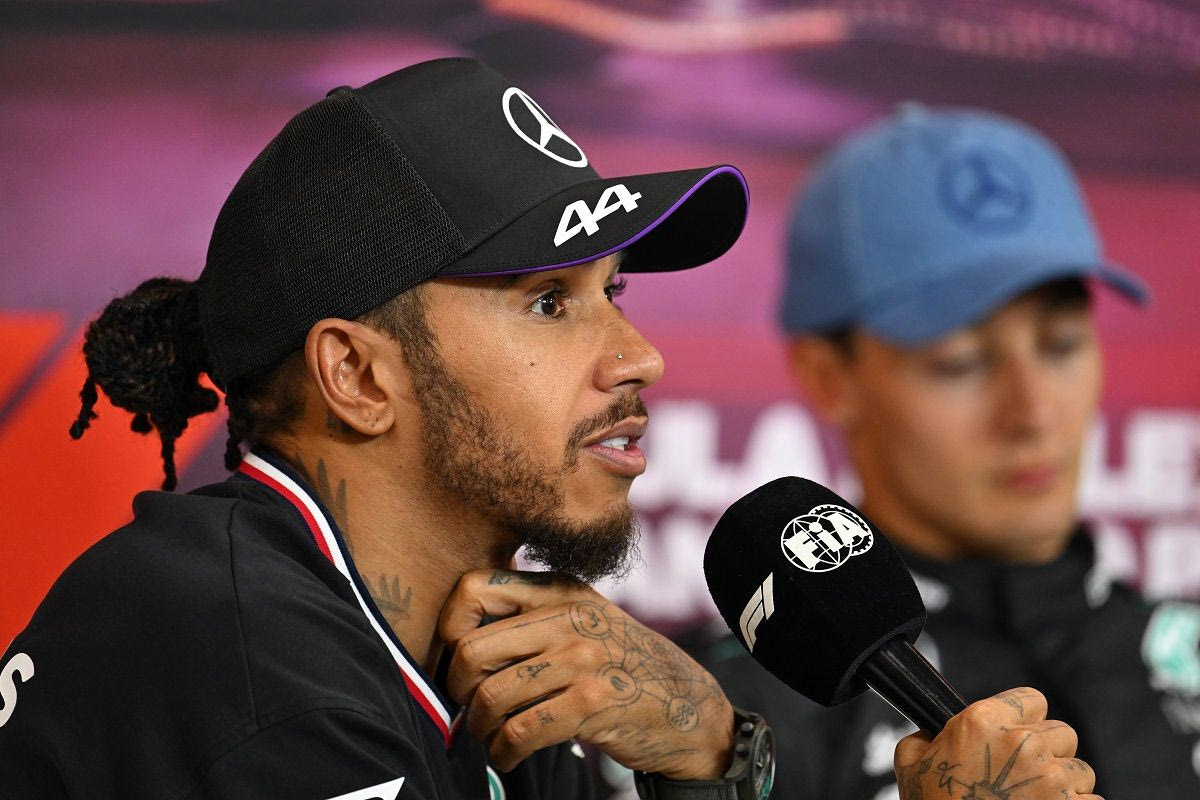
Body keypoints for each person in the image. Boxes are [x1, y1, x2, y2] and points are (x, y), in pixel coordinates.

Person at [0, 61, 1098, 800]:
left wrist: (708, 752)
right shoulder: (249, 668)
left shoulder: (487, 653)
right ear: (359, 376)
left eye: (616, 291)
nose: (638, 355)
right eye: (547, 302)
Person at [684, 103, 1200, 798]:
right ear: (828, 376)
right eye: (962, 361)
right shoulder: (716, 725)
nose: (1033, 412)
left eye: (1062, 345)